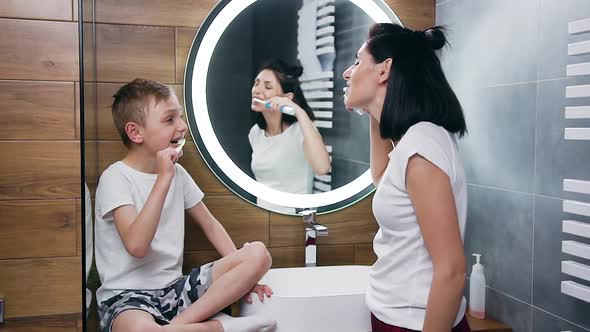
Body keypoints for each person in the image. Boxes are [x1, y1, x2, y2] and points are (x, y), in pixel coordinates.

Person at [94, 78, 276, 332]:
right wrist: (164, 178)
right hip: (127, 300)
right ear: (135, 132)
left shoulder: (178, 174)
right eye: (169, 120)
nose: (182, 127)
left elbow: (211, 225)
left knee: (258, 254)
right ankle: (219, 327)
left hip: (176, 291)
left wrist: (247, 277)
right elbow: (137, 246)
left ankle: (179, 326)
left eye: (179, 117)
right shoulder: (115, 178)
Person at [342, 24, 471, 332]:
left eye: (358, 62)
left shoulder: (422, 147)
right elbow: (383, 178)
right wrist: (372, 109)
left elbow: (452, 271)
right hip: (397, 316)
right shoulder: (413, 142)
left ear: (384, 70)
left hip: (416, 322)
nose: (348, 73)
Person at [248, 59, 331, 200]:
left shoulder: (301, 131)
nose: (257, 90)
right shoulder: (255, 133)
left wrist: (299, 112)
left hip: (294, 216)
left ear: (287, 97)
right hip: (262, 214)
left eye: (268, 87)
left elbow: (322, 168)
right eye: (256, 83)